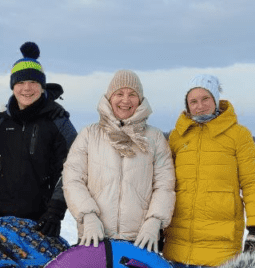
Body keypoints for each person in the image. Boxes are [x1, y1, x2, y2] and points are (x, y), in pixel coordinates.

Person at [163, 74, 255, 268]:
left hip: (220, 238)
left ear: (216, 99)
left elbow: (252, 183)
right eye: (193, 101)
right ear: (187, 105)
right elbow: (164, 184)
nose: (199, 106)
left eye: (205, 99)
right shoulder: (177, 136)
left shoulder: (238, 135)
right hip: (181, 235)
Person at [62, 70, 175, 252]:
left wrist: (154, 221)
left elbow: (164, 185)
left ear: (140, 100)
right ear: (109, 98)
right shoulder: (89, 134)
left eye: (132, 94)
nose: (125, 100)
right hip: (95, 238)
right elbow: (72, 179)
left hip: (140, 241)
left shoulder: (154, 138)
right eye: (119, 93)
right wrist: (88, 215)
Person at [0, 42, 77, 237]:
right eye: (20, 83)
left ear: (42, 86)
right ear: (13, 86)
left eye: (33, 82)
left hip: (40, 220)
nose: (26, 88)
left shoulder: (59, 122)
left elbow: (74, 168)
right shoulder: (2, 120)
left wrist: (55, 210)